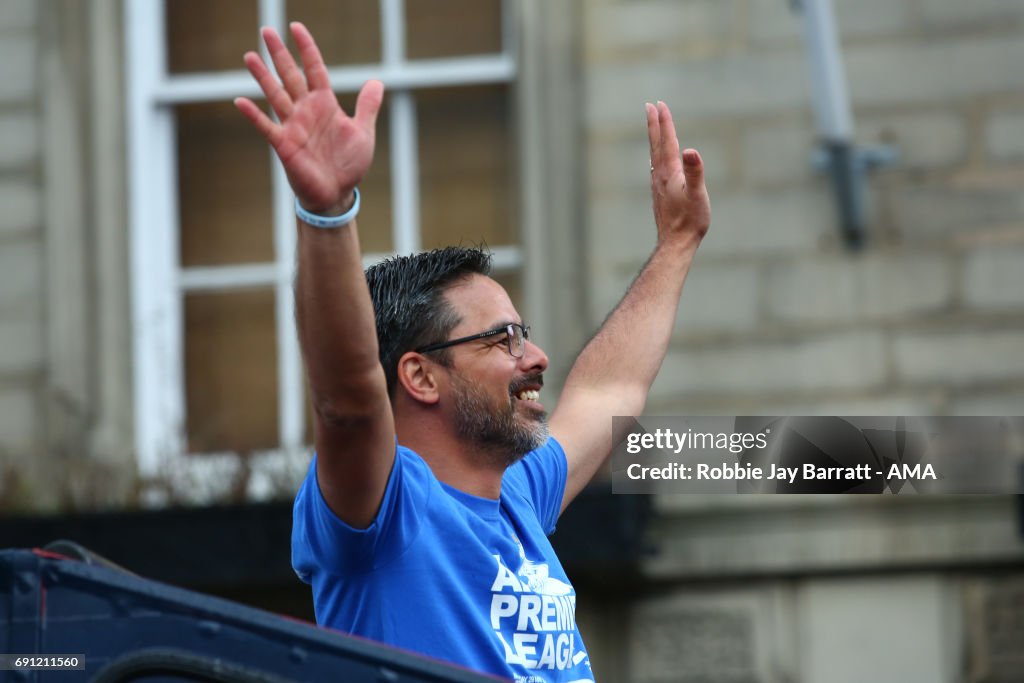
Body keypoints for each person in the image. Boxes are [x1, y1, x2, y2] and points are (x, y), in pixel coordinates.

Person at [235, 22, 710, 683]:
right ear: (420, 375)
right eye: (504, 338)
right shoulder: (386, 509)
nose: (538, 356)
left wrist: (677, 244)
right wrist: (328, 212)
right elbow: (347, 400)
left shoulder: (517, 493)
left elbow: (608, 391)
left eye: (526, 331)